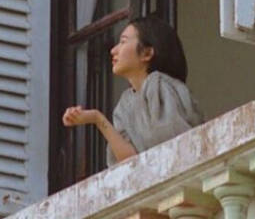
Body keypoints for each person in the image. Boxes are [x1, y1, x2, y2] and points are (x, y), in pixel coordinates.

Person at [62, 15, 205, 166]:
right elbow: (130, 163)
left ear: (147, 53)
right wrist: (97, 118)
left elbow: (173, 147)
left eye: (123, 42)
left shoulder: (159, 85)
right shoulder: (125, 104)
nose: (113, 50)